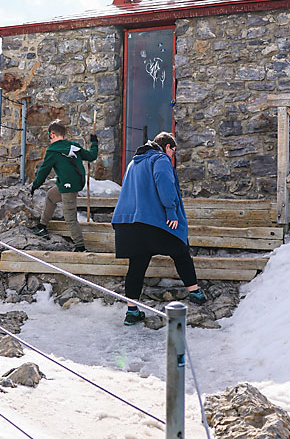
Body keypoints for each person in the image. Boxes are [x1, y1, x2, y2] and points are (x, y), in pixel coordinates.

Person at [112, 130, 206, 325]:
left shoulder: (133, 163)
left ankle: (132, 311)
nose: (173, 156)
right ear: (168, 147)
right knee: (180, 249)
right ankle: (195, 292)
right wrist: (171, 211)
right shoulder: (160, 159)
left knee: (136, 266)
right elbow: (164, 184)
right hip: (153, 222)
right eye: (173, 151)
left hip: (129, 224)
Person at [31, 120, 98, 251]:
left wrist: (35, 185)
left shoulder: (53, 151)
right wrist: (94, 142)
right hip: (74, 184)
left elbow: (44, 170)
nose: (49, 138)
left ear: (54, 135)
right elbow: (91, 156)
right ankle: (42, 226)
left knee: (70, 218)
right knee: (51, 195)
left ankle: (80, 246)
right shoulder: (74, 147)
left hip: (69, 188)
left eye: (49, 135)